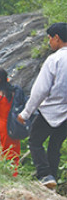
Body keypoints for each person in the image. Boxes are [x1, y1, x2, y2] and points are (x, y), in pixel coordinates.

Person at [17, 22, 67, 189]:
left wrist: (26, 113)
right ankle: (52, 180)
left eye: (49, 39)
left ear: (57, 38)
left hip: (50, 110)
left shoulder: (55, 60)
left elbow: (40, 91)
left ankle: (45, 174)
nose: (49, 42)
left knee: (35, 141)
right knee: (55, 146)